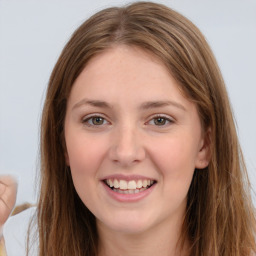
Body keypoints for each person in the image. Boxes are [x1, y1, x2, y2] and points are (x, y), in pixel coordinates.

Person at [0, 1, 256, 255]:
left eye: (159, 120)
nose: (125, 152)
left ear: (205, 144)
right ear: (62, 141)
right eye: (96, 120)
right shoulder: (13, 246)